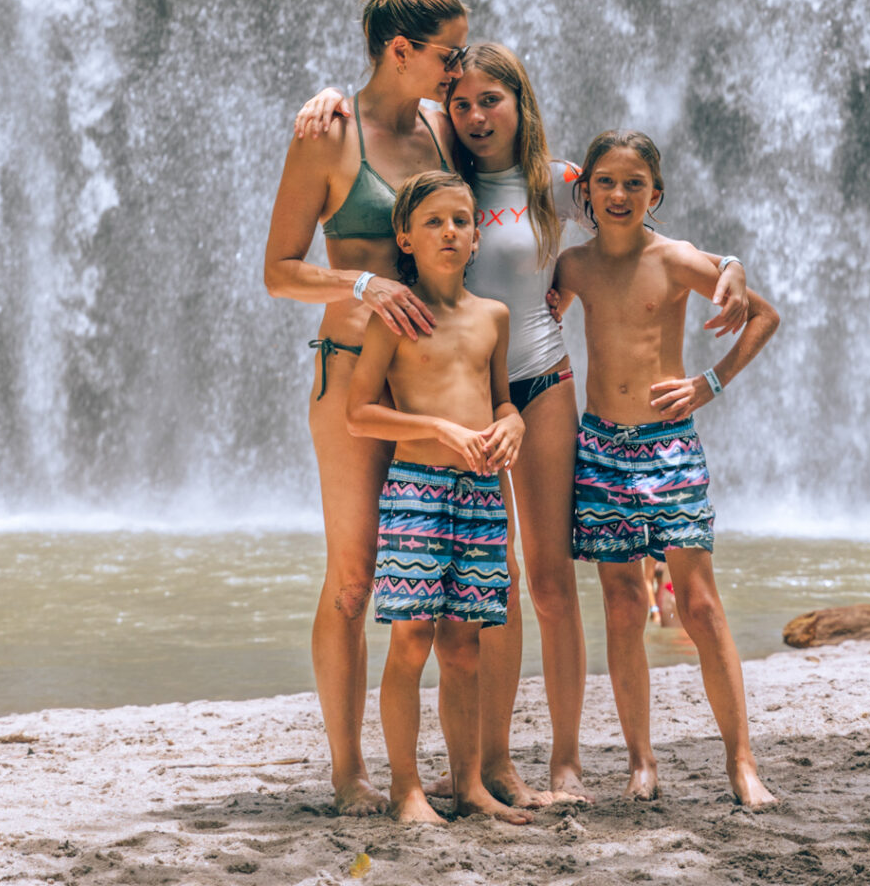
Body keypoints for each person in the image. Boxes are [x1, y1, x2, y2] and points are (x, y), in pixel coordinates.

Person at [292, 49, 753, 805]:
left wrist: (726, 261)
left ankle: (561, 762)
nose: (476, 116)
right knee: (485, 581)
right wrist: (328, 94)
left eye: (492, 101)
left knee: (544, 581)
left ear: (519, 101)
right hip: (467, 396)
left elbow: (634, 216)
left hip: (539, 387)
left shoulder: (557, 181)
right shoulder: (446, 169)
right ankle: (475, 762)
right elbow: (386, 108)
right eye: (464, 102)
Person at [262, 0, 470, 815]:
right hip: (350, 375)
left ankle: (445, 771)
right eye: (447, 53)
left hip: (434, 386)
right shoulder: (328, 131)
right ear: (400, 50)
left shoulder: (442, 127)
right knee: (354, 581)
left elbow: (521, 178)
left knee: (447, 580)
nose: (459, 67)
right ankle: (348, 770)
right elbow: (277, 269)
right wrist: (361, 282)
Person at [551, 128, 780, 810]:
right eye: (605, 182)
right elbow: (535, 327)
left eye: (633, 183)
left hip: (670, 446)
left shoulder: (678, 260)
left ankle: (742, 762)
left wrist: (711, 383)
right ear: (584, 191)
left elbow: (763, 316)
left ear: (657, 193)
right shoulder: (574, 267)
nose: (619, 195)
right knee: (622, 608)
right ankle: (641, 761)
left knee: (701, 606)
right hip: (599, 448)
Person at [346, 168, 530, 827]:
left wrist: (513, 423)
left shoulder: (493, 317)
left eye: (460, 221)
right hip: (418, 492)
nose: (449, 232)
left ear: (477, 237)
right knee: (412, 637)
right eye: (433, 222)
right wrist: (435, 428)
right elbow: (358, 412)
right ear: (406, 235)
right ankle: (406, 790)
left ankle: (470, 786)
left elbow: (504, 397)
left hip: (481, 494)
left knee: (463, 646)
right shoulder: (396, 318)